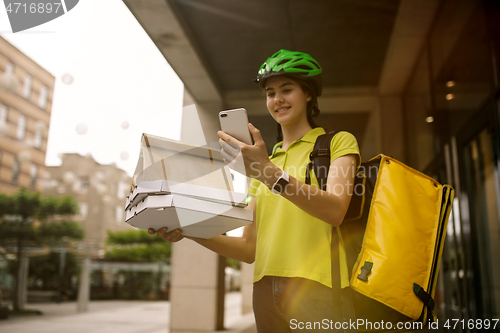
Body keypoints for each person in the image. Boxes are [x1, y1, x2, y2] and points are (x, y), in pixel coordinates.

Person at [149, 49, 360, 332]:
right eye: (271, 93)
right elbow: (249, 249)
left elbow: (335, 210)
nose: (278, 99)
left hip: (319, 289)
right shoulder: (262, 166)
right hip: (264, 291)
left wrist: (269, 173)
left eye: (287, 89)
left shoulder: (337, 143)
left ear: (309, 94)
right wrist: (187, 229)